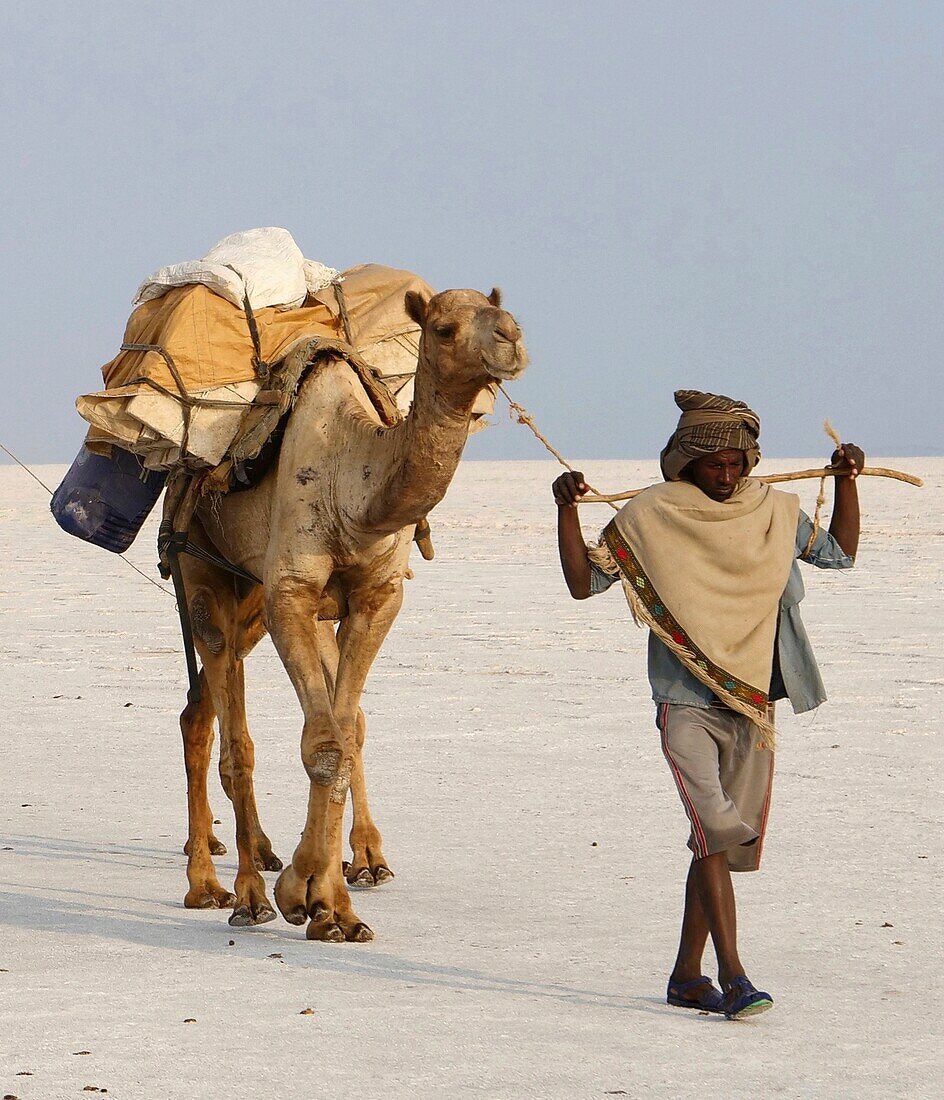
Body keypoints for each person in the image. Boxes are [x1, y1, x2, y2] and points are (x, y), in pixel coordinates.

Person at [552, 390, 862, 1020]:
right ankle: (735, 977)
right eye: (715, 464)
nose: (728, 476)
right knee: (715, 833)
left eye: (738, 463)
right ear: (686, 463)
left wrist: (847, 481)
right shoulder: (652, 514)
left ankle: (686, 976)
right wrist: (565, 512)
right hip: (684, 701)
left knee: (712, 842)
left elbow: (839, 553)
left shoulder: (772, 511)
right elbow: (584, 583)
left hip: (753, 701)